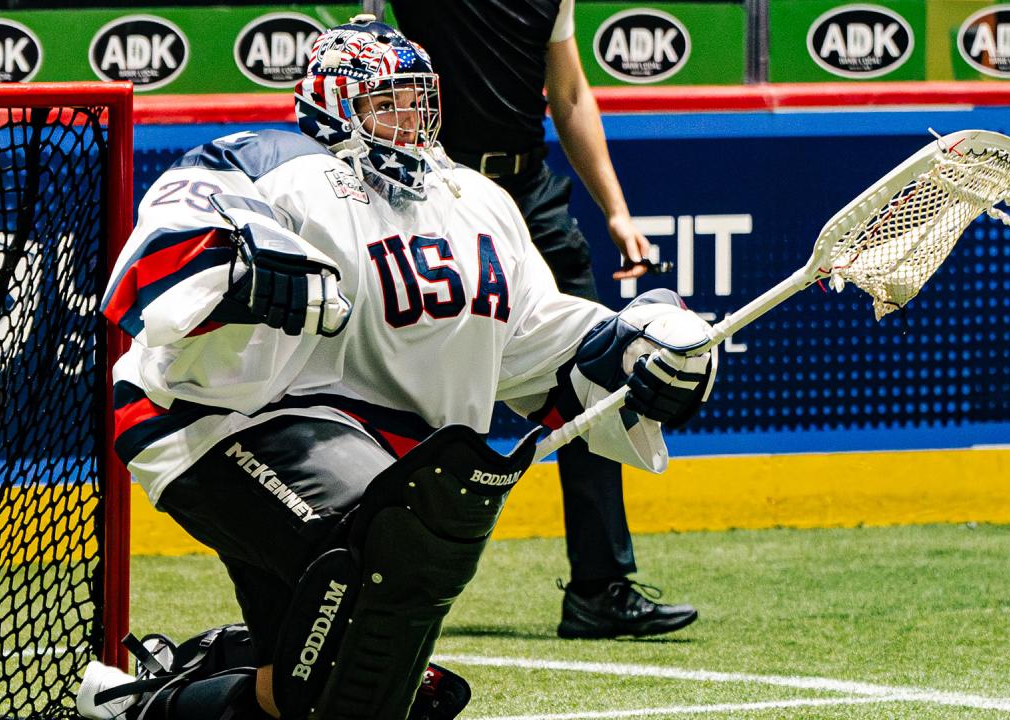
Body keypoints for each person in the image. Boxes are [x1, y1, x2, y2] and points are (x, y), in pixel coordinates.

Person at [76, 16, 716, 720]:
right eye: (387, 102)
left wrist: (639, 353)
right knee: (391, 555)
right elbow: (168, 233)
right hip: (220, 418)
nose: (409, 120)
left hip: (379, 463)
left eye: (418, 101)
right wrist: (247, 262)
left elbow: (543, 341)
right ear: (332, 105)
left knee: (333, 695)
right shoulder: (280, 164)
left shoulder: (477, 201)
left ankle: (151, 699)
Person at [387, 0, 700, 640]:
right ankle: (380, 582)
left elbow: (570, 90)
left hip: (530, 196)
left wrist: (614, 209)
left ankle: (599, 589)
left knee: (597, 376)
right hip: (431, 198)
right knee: (407, 388)